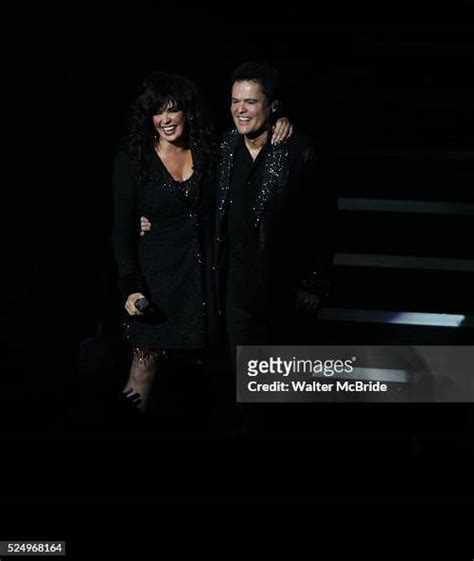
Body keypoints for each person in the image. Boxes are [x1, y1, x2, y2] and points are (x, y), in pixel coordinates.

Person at [113, 71, 292, 416]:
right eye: (158, 112)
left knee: (203, 378)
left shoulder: (211, 152)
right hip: (154, 282)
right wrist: (130, 287)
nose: (166, 119)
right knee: (143, 370)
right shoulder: (132, 161)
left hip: (202, 280)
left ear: (187, 113)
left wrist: (280, 120)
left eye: (173, 110)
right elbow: (120, 232)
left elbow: (253, 135)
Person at [214, 61, 332, 366]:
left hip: (284, 293)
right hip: (235, 294)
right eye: (235, 101)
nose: (240, 109)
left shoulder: (298, 152)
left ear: (273, 106)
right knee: (247, 386)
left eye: (251, 102)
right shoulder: (223, 150)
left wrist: (313, 282)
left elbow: (323, 221)